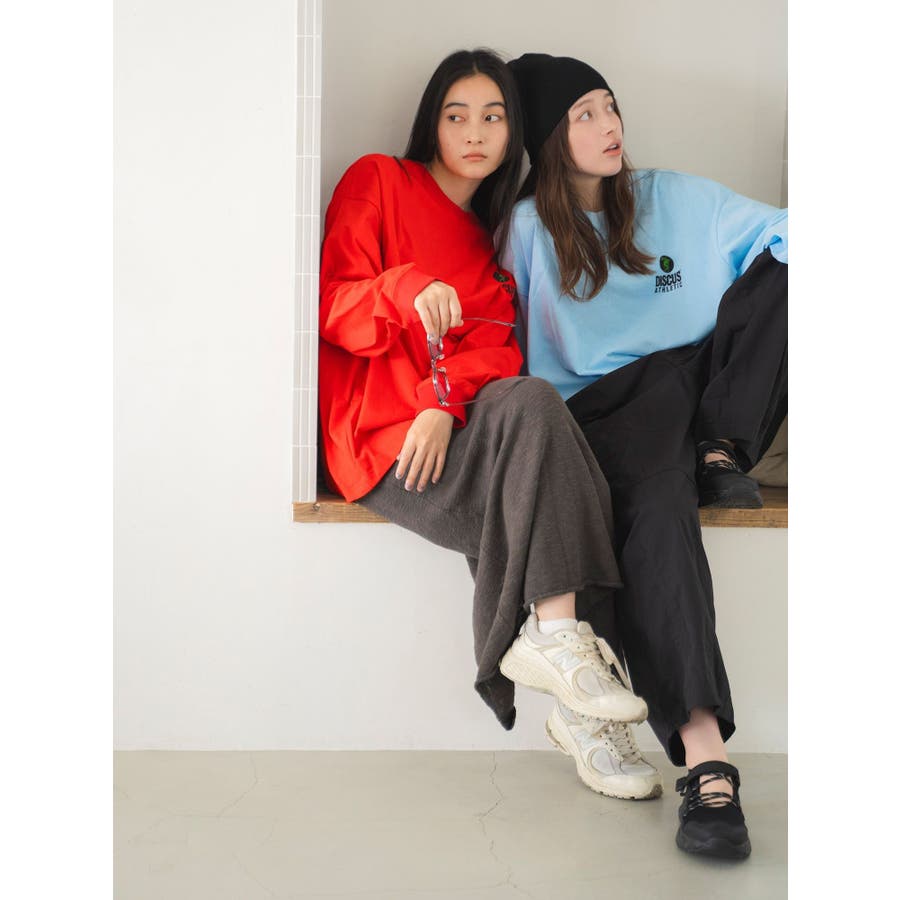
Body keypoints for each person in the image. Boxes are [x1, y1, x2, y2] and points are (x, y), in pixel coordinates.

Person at [318, 48, 662, 797]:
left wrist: (442, 403)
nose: (474, 133)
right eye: (457, 116)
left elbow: (498, 353)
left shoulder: (490, 241)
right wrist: (407, 288)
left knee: (536, 413)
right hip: (378, 443)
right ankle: (575, 691)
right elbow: (332, 304)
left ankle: (562, 652)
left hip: (445, 432)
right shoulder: (379, 181)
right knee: (547, 468)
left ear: (514, 134)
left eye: (493, 117)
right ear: (431, 123)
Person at [501, 53, 788, 860]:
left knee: (792, 274)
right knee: (659, 509)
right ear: (549, 137)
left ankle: (722, 448)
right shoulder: (527, 229)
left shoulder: (675, 198)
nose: (610, 126)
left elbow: (792, 234)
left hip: (694, 394)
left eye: (611, 106)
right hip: (605, 415)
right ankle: (707, 758)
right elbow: (503, 347)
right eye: (584, 115)